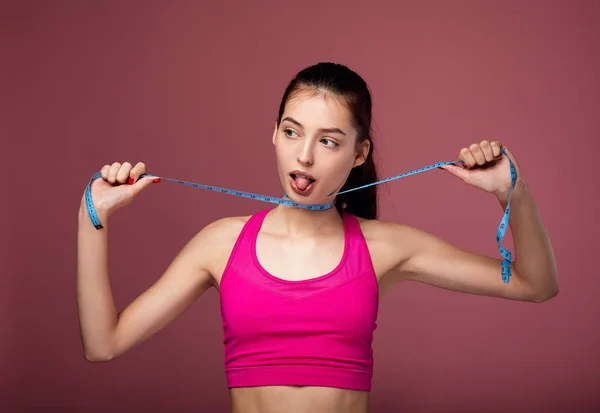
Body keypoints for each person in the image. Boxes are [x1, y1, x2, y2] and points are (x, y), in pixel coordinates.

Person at [77, 62, 559, 413]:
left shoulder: (384, 247)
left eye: (328, 141)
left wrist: (512, 191)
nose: (303, 155)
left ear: (358, 153)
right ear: (274, 134)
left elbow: (535, 284)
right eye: (292, 132)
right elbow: (104, 343)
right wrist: (91, 216)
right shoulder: (220, 244)